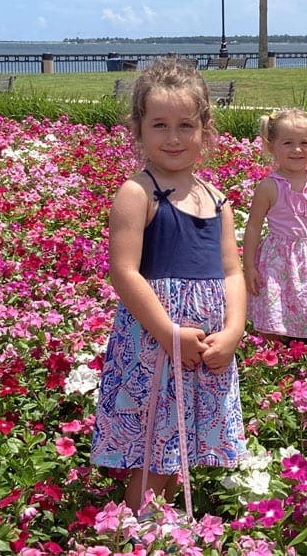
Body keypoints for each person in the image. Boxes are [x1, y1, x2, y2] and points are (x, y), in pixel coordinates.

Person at [90, 58, 247, 514]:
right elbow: (124, 272)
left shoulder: (216, 199)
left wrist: (234, 329)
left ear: (206, 129)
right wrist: (167, 332)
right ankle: (141, 531)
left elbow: (232, 272)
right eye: (159, 125)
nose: (174, 137)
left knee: (178, 447)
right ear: (137, 129)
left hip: (204, 347)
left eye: (186, 125)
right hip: (155, 344)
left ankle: (165, 524)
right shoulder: (137, 193)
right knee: (154, 446)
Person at [242, 108, 307, 343]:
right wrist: (249, 267)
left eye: (305, 143)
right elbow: (253, 227)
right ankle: (272, 358)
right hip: (278, 261)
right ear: (272, 146)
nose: (297, 149)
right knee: (274, 309)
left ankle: (305, 352)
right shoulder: (269, 187)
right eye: (288, 143)